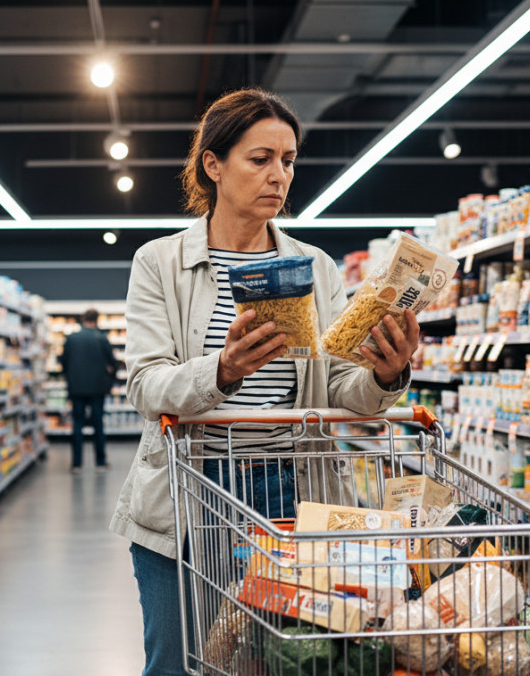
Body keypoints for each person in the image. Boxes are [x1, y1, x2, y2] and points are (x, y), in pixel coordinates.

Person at [108, 88, 418, 675]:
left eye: (289, 160)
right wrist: (221, 372)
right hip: (188, 491)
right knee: (178, 661)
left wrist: (386, 374)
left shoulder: (317, 266)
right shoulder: (160, 263)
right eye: (261, 159)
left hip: (291, 489)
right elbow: (146, 386)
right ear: (213, 165)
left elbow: (339, 388)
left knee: (282, 660)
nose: (280, 175)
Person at [59, 308, 117, 473]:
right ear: (97, 320)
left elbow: (63, 363)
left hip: (76, 388)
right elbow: (113, 364)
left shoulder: (71, 339)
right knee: (98, 425)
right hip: (98, 389)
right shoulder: (102, 339)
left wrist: (70, 379)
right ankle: (100, 462)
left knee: (77, 425)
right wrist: (108, 382)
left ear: (83, 319)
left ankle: (76, 464)